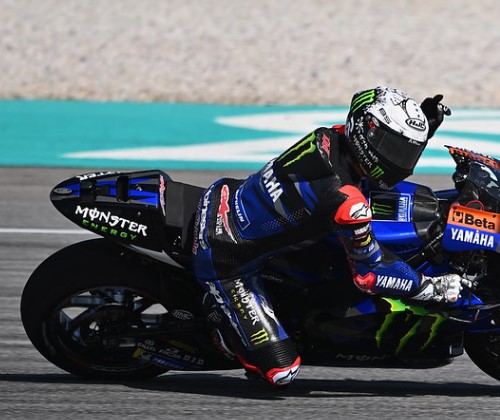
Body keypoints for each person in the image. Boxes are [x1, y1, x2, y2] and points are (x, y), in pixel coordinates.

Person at [192, 86, 472, 387]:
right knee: (281, 372)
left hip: (227, 195)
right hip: (226, 253)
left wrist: (421, 130)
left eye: (407, 153)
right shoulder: (345, 200)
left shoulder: (331, 137)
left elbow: (373, 140)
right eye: (395, 150)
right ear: (365, 135)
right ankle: (221, 324)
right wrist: (430, 288)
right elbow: (370, 274)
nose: (402, 163)